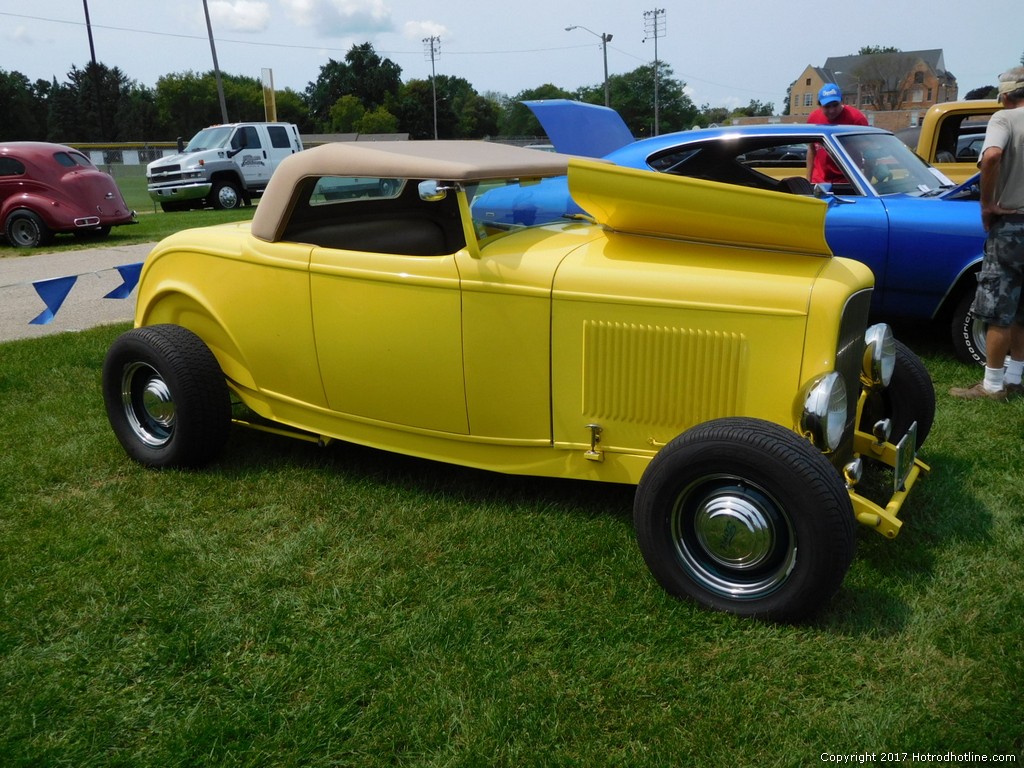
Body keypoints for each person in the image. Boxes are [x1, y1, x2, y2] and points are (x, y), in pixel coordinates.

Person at [950, 67, 1024, 400]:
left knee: (998, 307)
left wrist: (987, 205)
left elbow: (992, 156)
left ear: (1006, 96)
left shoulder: (1004, 119)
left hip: (1012, 225)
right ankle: (1016, 378)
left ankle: (993, 386)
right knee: (1022, 307)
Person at [806, 83, 869, 183]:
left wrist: (866, 181)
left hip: (848, 181)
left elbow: (868, 152)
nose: (831, 110)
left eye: (835, 105)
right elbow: (811, 148)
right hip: (819, 181)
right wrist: (808, 180)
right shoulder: (813, 119)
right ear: (820, 106)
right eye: (827, 106)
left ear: (842, 102)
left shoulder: (856, 119)